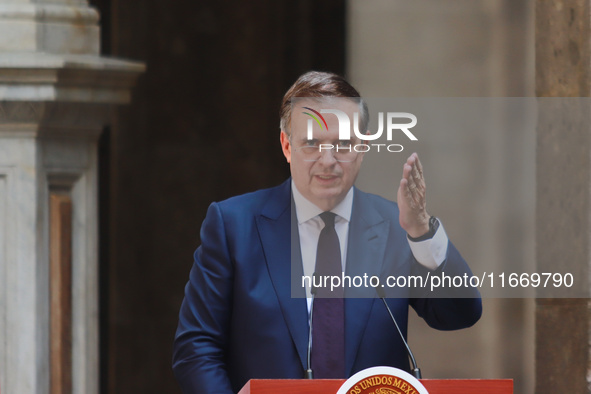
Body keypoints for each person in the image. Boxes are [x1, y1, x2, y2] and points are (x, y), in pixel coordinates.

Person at [172, 71, 482, 393]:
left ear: (363, 146)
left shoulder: (395, 225)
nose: (328, 160)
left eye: (343, 144)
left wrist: (421, 231)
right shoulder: (234, 225)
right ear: (287, 146)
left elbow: (459, 314)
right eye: (312, 143)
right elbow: (196, 348)